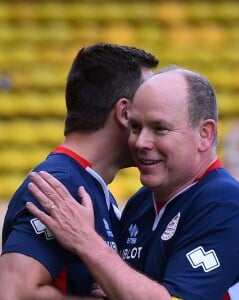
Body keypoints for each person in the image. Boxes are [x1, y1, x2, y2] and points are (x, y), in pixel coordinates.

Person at [25, 67, 239, 300]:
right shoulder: (139, 205)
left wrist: (86, 241)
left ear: (204, 134)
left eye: (159, 128)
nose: (141, 142)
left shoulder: (225, 205)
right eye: (135, 127)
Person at [0, 43, 158, 299]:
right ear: (125, 113)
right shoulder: (60, 185)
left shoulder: (86, 183)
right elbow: (14, 292)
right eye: (150, 110)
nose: (157, 123)